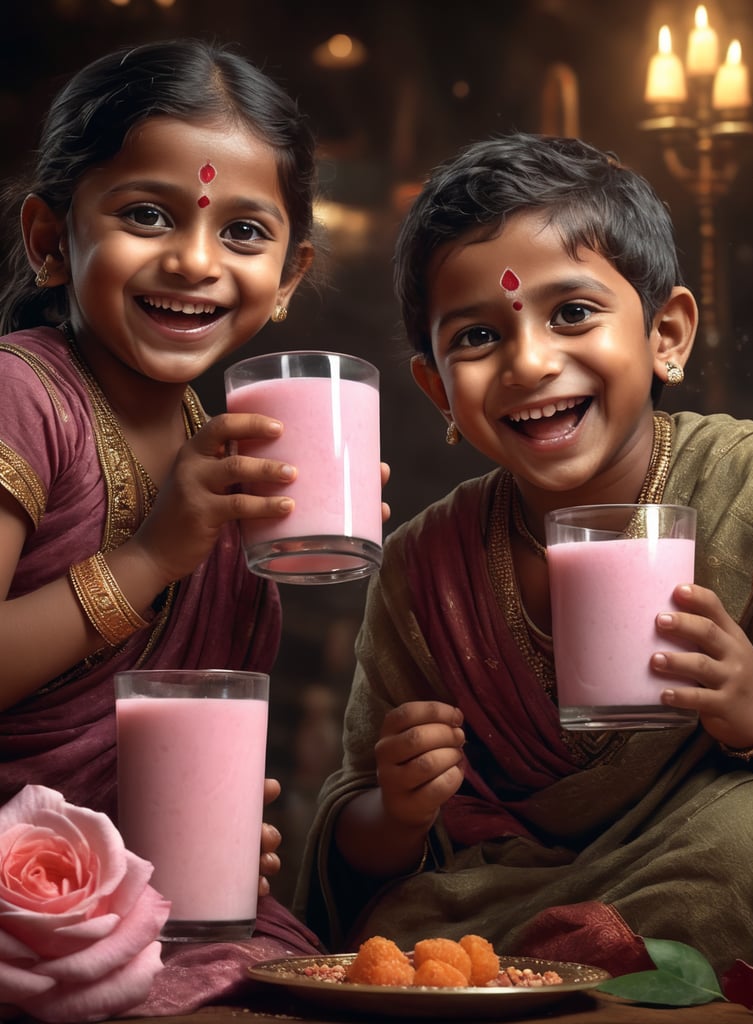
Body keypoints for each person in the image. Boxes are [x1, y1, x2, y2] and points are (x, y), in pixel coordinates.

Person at [295, 132, 753, 977]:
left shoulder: (751, 489)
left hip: (700, 855)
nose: (529, 361)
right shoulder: (421, 567)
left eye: (573, 313)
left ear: (667, 333)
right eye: (476, 337)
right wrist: (399, 811)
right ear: (439, 390)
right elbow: (356, 831)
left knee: (748, 850)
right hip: (497, 888)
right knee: (409, 920)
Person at [0, 38, 327, 1012]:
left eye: (243, 231)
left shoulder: (226, 441)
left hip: (156, 893)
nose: (194, 259)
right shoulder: (22, 391)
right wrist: (149, 557)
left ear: (290, 273)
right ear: (52, 239)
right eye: (147, 214)